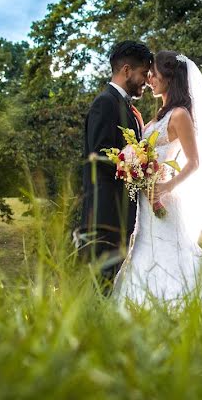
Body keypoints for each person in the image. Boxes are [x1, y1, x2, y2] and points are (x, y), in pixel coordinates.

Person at [113, 50, 202, 308]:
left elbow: (194, 162)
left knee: (173, 252)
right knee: (143, 251)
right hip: (146, 202)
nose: (150, 79)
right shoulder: (160, 113)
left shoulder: (180, 114)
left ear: (170, 77)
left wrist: (165, 186)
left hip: (164, 199)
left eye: (155, 74)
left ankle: (182, 305)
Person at [78, 40, 153, 288]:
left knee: (114, 287)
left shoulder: (127, 109)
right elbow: (98, 155)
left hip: (121, 215)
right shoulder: (105, 103)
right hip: (105, 215)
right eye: (144, 73)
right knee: (102, 287)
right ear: (127, 70)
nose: (146, 80)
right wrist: (135, 165)